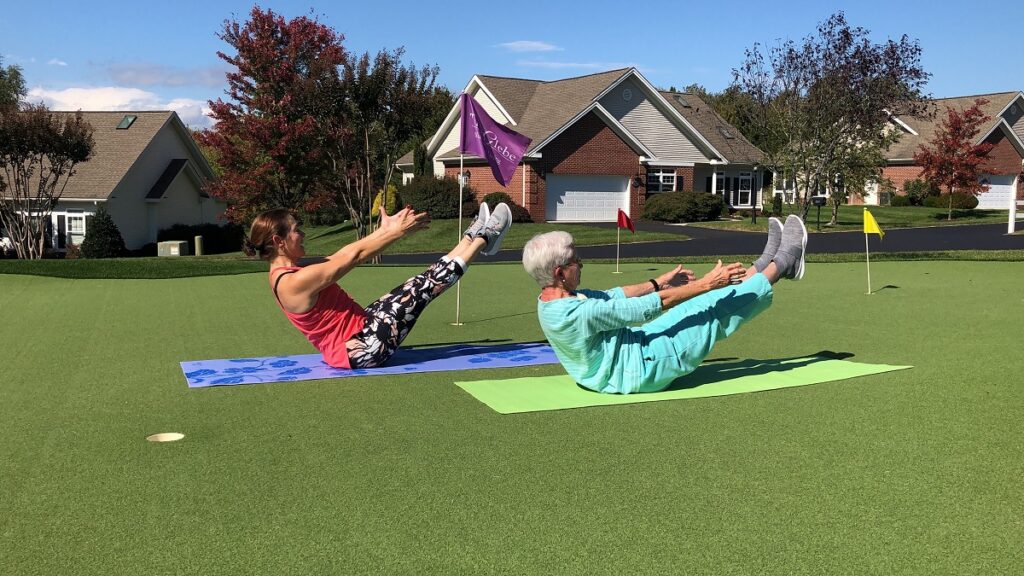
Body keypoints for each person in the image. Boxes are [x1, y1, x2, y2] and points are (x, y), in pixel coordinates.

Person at [522, 214, 807, 394]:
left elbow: (614, 295)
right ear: (559, 273)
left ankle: (761, 266)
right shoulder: (576, 313)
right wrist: (708, 282)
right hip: (639, 370)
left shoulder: (549, 300)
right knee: (710, 313)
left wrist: (659, 281)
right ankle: (784, 262)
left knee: (697, 303)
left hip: (631, 351)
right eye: (575, 262)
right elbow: (642, 308)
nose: (581, 264)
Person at [244, 202, 512, 369]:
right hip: (363, 348)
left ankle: (470, 238)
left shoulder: (288, 273)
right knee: (422, 288)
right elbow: (355, 257)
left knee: (417, 284)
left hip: (360, 332)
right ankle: (485, 239)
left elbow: (344, 253)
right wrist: (397, 233)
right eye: (295, 230)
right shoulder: (293, 282)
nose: (302, 234)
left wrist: (383, 230)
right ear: (279, 241)